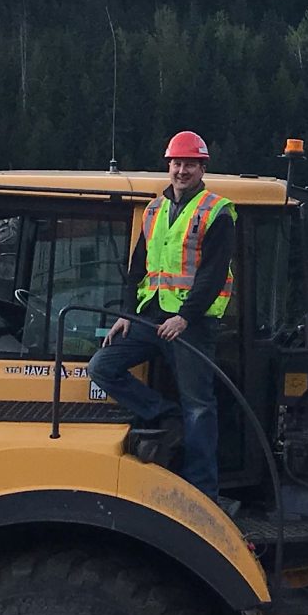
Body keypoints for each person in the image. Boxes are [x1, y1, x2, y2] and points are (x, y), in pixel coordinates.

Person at [90, 130, 236, 500]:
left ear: (202, 168)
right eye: (176, 163)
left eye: (189, 164)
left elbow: (213, 273)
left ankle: (203, 493)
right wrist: (126, 312)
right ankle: (164, 415)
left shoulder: (216, 211)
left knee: (200, 406)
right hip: (150, 315)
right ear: (168, 165)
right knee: (102, 367)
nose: (181, 170)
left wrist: (185, 316)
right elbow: (137, 265)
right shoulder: (154, 209)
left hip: (191, 324)